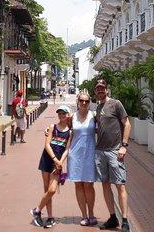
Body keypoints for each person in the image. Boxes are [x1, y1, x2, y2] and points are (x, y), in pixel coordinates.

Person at [94, 79, 131, 231]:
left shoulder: (116, 104)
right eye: (98, 89)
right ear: (95, 91)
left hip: (115, 151)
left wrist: (124, 145)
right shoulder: (98, 108)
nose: (100, 91)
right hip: (100, 151)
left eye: (102, 88)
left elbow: (127, 124)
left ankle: (125, 219)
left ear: (107, 90)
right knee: (105, 184)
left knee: (120, 185)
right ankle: (112, 217)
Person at [31, 105, 72, 228]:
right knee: (47, 190)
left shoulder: (70, 132)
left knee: (52, 190)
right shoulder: (52, 127)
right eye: (59, 113)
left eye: (64, 113)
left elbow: (67, 149)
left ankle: (37, 210)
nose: (61, 115)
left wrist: (60, 162)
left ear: (68, 115)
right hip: (47, 160)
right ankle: (50, 217)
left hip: (57, 164)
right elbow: (47, 145)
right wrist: (55, 159)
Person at [67, 93, 97, 226]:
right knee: (78, 184)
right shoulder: (72, 117)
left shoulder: (94, 116)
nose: (84, 103)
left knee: (89, 184)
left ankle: (91, 214)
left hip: (90, 154)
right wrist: (48, 130)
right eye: (82, 101)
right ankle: (84, 215)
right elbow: (65, 131)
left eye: (86, 101)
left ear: (89, 102)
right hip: (75, 155)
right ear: (78, 101)